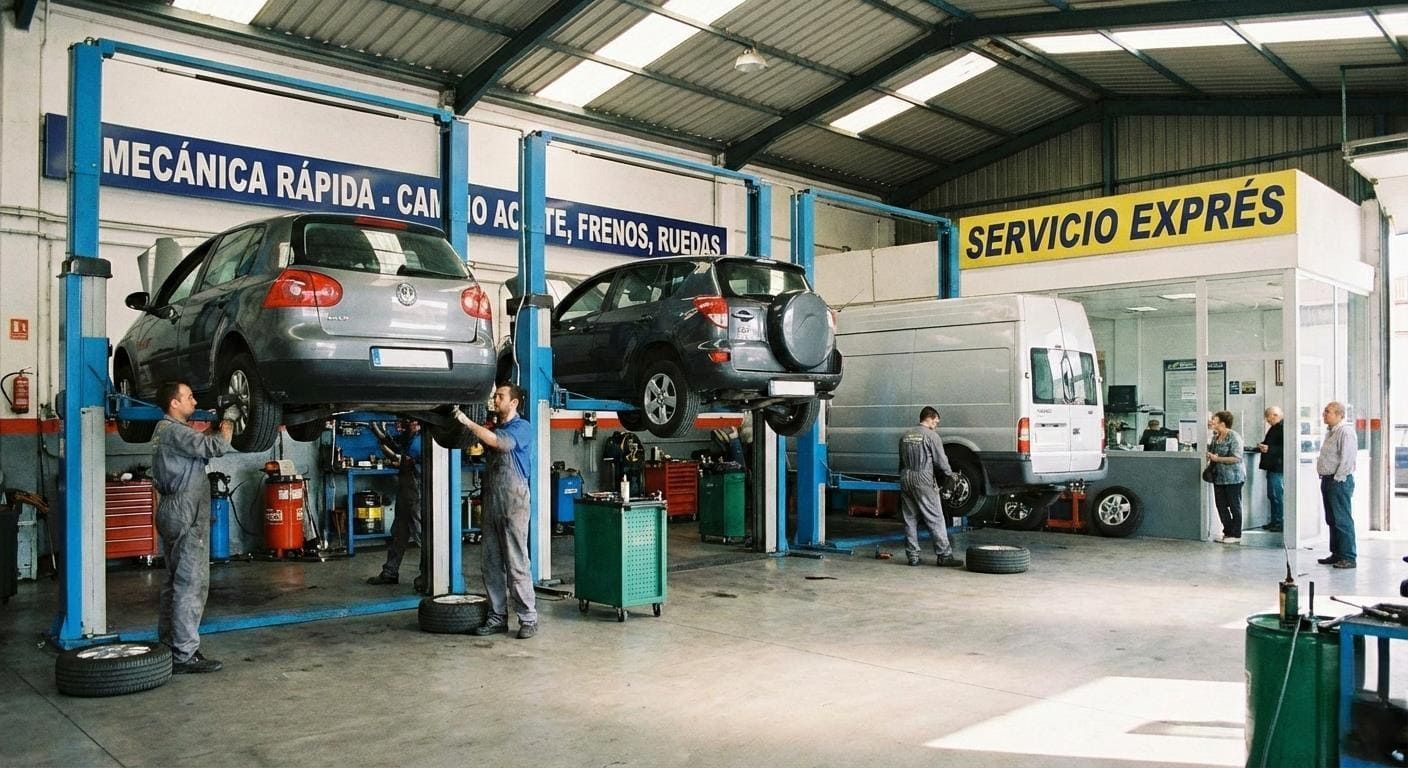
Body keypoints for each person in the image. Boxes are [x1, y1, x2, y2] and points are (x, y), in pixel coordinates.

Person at [151, 381, 236, 674]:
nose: (193, 400)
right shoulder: (175, 431)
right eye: (188, 397)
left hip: (171, 508)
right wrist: (230, 420)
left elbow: (198, 445)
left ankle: (167, 645)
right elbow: (217, 446)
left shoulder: (168, 431)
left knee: (173, 581)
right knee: (191, 583)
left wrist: (213, 426)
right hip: (185, 510)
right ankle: (184, 654)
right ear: (174, 403)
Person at [452, 384, 537, 638]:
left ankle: (529, 619)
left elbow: (499, 444)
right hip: (492, 501)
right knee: (490, 563)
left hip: (514, 502)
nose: (495, 399)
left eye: (500, 396)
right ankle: (497, 616)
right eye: (495, 395)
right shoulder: (495, 427)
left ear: (514, 403)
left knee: (516, 562)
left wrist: (465, 420)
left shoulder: (522, 428)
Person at [898, 407, 963, 568]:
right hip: (923, 478)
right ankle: (944, 555)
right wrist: (950, 475)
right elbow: (941, 461)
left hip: (906, 477)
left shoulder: (905, 435)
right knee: (935, 517)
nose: (936, 425)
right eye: (936, 421)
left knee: (909, 518)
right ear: (930, 418)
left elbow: (901, 460)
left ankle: (912, 556)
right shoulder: (931, 436)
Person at [365, 418, 425, 592]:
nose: (404, 426)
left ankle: (428, 574)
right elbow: (395, 449)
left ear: (418, 423)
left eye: (408, 422)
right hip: (406, 490)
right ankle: (390, 572)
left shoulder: (422, 439)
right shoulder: (409, 437)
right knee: (398, 533)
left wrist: (395, 456)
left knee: (422, 535)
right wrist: (380, 434)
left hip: (417, 490)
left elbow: (405, 460)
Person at [1316, 401, 1358, 569]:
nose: (1324, 414)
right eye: (1325, 411)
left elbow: (1347, 458)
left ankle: (1348, 556)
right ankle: (1337, 553)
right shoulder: (1330, 432)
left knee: (1342, 520)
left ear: (1340, 415)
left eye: (1328, 412)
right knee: (1332, 519)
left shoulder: (1345, 432)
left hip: (1338, 481)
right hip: (1327, 479)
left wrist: (1338, 478)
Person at [1205, 411, 1246, 544]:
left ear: (1222, 423)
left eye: (1214, 420)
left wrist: (1218, 458)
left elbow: (1237, 457)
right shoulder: (1215, 437)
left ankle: (1236, 533)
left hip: (1233, 477)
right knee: (1221, 505)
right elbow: (1212, 452)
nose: (1212, 422)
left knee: (1234, 505)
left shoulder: (1234, 436)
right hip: (1219, 477)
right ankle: (1227, 532)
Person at [1256, 406, 1285, 533]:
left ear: (1275, 415)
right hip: (1272, 467)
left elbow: (1285, 448)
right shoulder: (1274, 428)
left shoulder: (1282, 428)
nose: (1267, 420)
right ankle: (1275, 521)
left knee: (1276, 495)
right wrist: (1262, 446)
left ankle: (1279, 522)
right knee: (1272, 495)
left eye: (1268, 417)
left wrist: (1269, 449)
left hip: (1277, 468)